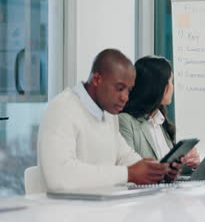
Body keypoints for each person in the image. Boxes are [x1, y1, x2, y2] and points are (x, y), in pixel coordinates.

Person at [38, 49, 181, 192]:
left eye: (129, 90)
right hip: (70, 211)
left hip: (104, 207)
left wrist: (158, 172)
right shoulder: (62, 108)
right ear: (97, 80)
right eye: (119, 88)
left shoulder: (108, 114)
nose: (125, 97)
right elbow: (59, 177)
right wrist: (128, 174)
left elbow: (124, 156)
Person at [119, 55, 200, 170]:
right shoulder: (126, 121)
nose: (172, 87)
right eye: (170, 81)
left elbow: (169, 173)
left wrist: (188, 164)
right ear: (157, 86)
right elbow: (130, 169)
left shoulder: (161, 123)